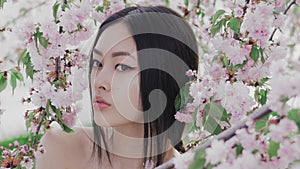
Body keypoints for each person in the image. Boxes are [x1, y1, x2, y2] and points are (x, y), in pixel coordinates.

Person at [36, 5, 198, 169]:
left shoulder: (186, 165)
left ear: (165, 76)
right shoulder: (60, 147)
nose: (99, 82)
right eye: (97, 63)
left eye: (122, 67)